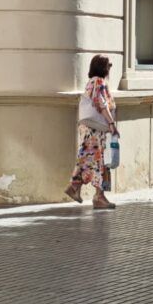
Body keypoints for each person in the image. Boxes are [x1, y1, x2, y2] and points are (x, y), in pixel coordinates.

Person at [65, 54, 118, 209]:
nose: (109, 68)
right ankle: (98, 197)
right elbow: (101, 103)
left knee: (88, 159)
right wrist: (112, 124)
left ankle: (75, 187)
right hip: (95, 130)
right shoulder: (99, 81)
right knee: (100, 161)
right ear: (102, 67)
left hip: (89, 129)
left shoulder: (91, 82)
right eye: (108, 65)